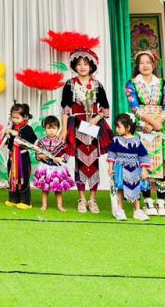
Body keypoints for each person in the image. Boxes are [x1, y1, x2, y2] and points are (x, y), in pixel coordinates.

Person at [125, 50, 165, 217]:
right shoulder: (131, 84)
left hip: (161, 125)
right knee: (142, 163)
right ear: (137, 66)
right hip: (142, 125)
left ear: (153, 64)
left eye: (148, 62)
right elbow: (135, 107)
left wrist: (158, 122)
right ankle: (147, 200)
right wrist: (150, 122)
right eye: (141, 62)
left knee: (162, 164)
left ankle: (161, 201)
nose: (145, 65)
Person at [60, 47, 111, 213]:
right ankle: (82, 198)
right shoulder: (70, 84)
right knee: (79, 162)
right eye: (79, 64)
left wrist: (95, 120)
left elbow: (105, 108)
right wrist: (64, 130)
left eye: (85, 64)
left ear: (91, 66)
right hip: (76, 125)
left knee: (93, 161)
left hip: (93, 126)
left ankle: (93, 199)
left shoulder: (97, 85)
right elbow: (65, 108)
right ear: (74, 66)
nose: (82, 67)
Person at [107, 113, 151, 221]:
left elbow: (143, 156)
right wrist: (110, 167)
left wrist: (144, 170)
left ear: (128, 127)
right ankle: (120, 209)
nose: (117, 129)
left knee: (136, 189)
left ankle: (137, 211)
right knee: (120, 189)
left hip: (135, 170)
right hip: (121, 169)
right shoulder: (116, 140)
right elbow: (111, 154)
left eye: (119, 127)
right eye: (116, 127)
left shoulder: (137, 141)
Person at [33, 116, 73, 212]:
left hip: (57, 169)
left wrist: (61, 158)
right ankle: (44, 205)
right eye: (48, 128)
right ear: (45, 128)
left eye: (54, 128)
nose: (51, 131)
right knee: (45, 189)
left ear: (58, 128)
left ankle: (60, 206)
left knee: (58, 189)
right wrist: (40, 156)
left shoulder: (61, 142)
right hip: (45, 168)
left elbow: (67, 153)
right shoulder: (41, 142)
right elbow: (36, 153)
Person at [5, 103, 37, 209]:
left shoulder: (27, 128)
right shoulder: (12, 127)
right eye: (13, 117)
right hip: (12, 157)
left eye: (17, 118)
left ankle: (26, 202)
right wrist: (7, 136)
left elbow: (32, 141)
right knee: (12, 177)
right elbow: (9, 143)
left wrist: (18, 135)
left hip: (22, 157)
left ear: (25, 117)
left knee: (23, 178)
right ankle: (14, 199)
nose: (14, 120)